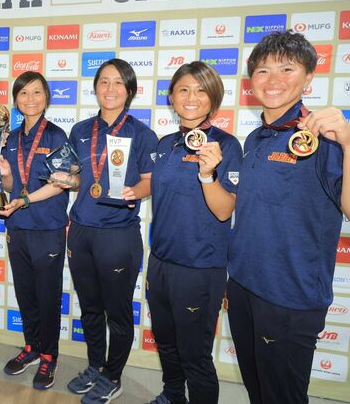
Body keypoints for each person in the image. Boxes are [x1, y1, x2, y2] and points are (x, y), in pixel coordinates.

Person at [227, 30, 350, 404]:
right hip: (245, 286)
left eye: (287, 68)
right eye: (263, 71)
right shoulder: (255, 139)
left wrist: (348, 142)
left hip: (289, 297)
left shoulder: (327, 136)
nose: (274, 80)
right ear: (251, 82)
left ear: (309, 78)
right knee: (258, 391)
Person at [146, 61, 242, 404]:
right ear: (172, 97)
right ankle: (173, 395)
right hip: (160, 263)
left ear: (213, 99)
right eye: (183, 89)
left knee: (194, 355)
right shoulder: (166, 143)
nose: (191, 97)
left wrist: (207, 174)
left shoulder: (226, 146)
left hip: (200, 269)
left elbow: (224, 210)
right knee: (167, 344)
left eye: (201, 90)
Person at [66, 58, 159, 404]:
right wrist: (65, 178)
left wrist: (137, 191)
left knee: (117, 311)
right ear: (95, 88)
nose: (110, 89)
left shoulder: (142, 133)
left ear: (130, 90)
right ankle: (94, 366)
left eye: (118, 83)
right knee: (89, 308)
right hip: (80, 229)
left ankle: (113, 375)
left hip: (118, 233)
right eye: (104, 82)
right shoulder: (80, 130)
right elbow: (77, 175)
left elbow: (149, 180)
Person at [0, 71, 75, 390]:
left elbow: (61, 183)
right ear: (15, 100)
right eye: (23, 94)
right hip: (18, 226)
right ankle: (32, 347)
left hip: (47, 227)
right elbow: (11, 185)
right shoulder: (8, 136)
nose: (30, 99)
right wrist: (7, 175)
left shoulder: (56, 136)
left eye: (37, 93)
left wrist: (23, 198)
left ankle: (49, 354)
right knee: (25, 293)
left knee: (47, 295)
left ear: (47, 98)